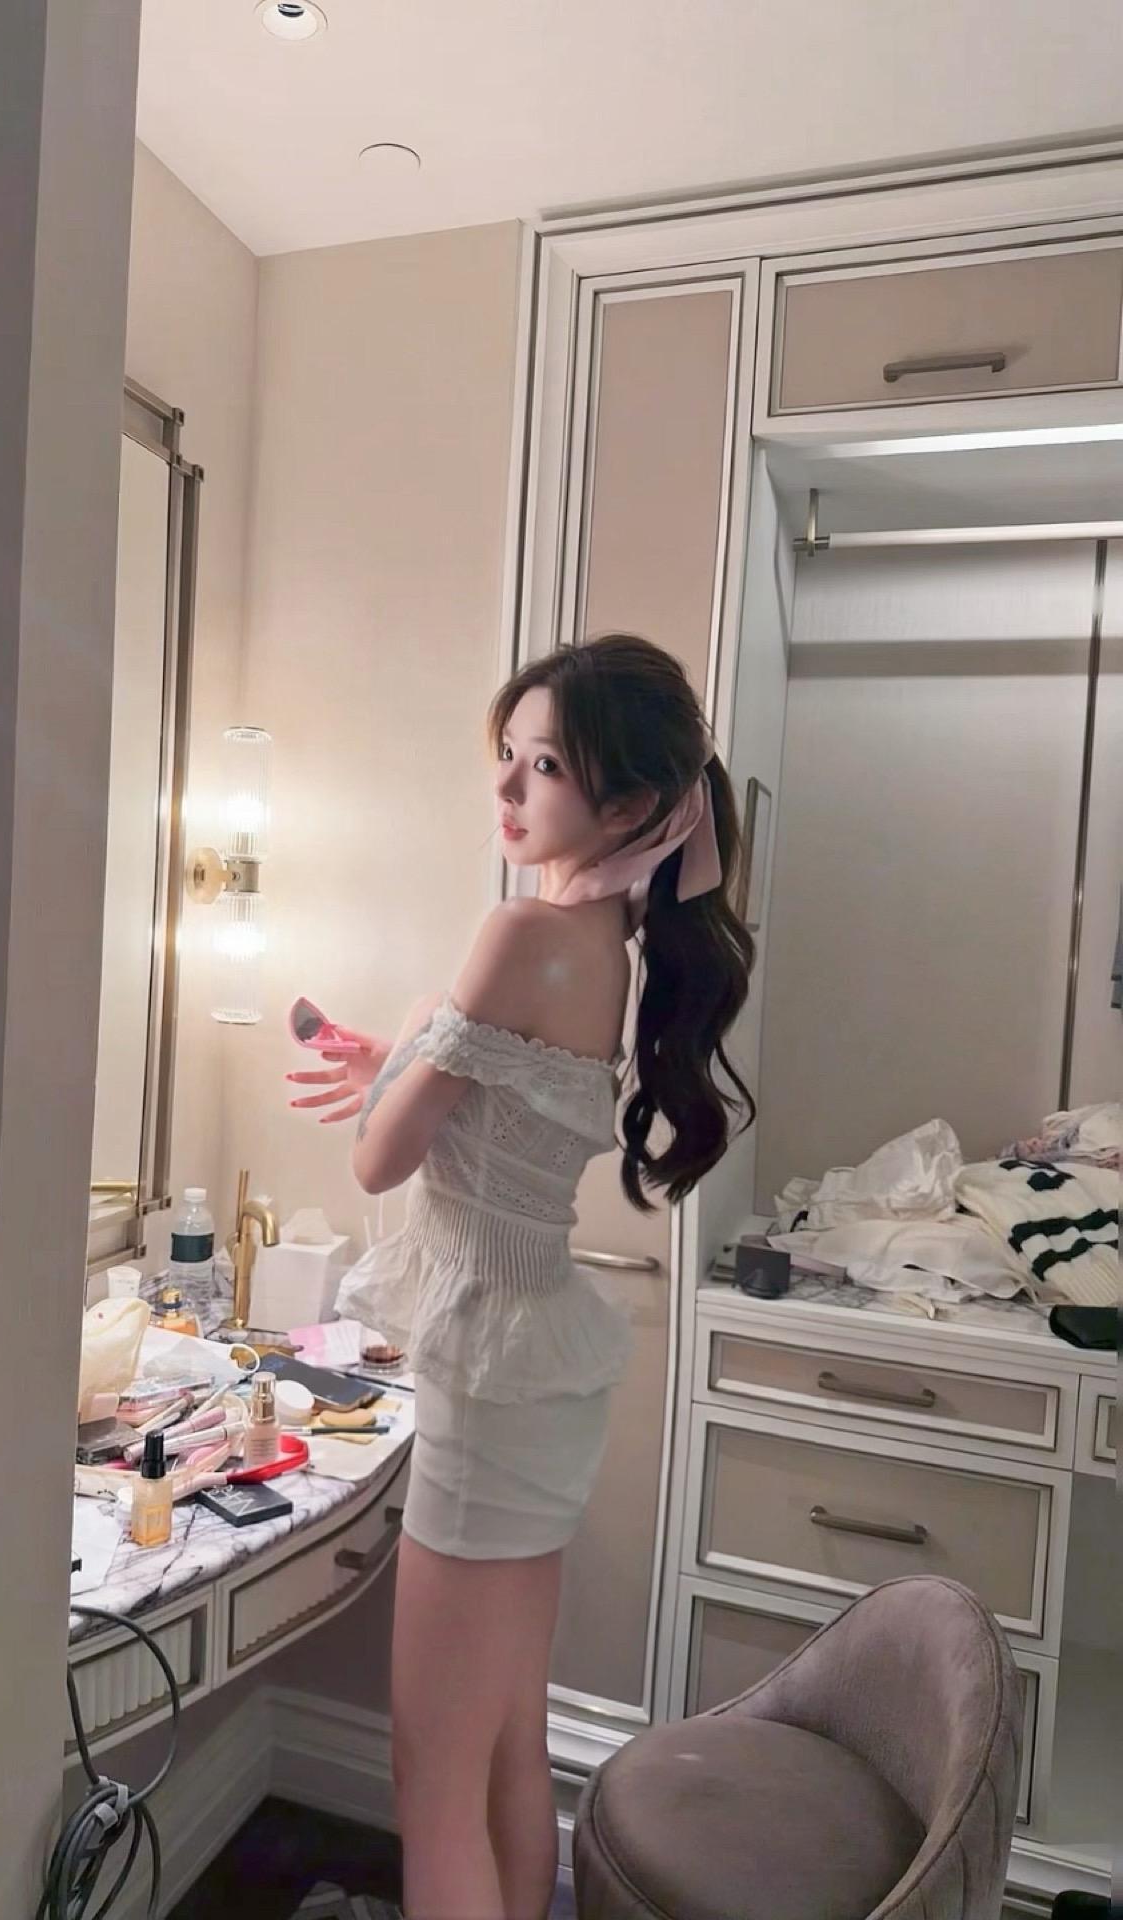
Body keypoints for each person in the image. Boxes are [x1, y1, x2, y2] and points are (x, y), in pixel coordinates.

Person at [286, 634, 756, 1920]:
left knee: (431, 1778)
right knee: (507, 1740)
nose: (505, 789)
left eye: (541, 767)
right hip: (538, 1365)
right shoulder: (606, 947)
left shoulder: (519, 934)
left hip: (492, 1383)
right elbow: (505, 1111)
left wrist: (410, 1053)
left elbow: (382, 1160)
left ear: (630, 806)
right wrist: (409, 1057)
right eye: (506, 754)